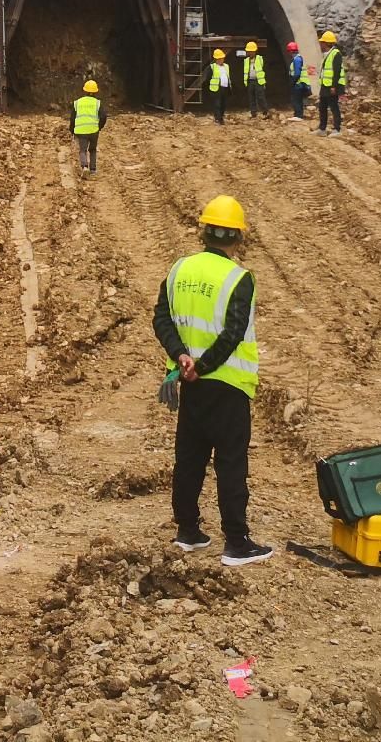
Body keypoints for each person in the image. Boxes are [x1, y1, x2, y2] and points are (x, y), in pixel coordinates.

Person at [152, 195, 272, 566]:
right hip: (227, 384)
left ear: (203, 231)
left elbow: (161, 319)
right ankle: (236, 542)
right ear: (237, 237)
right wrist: (201, 365)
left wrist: (181, 358)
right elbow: (233, 333)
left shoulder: (179, 269)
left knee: (189, 457)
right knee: (230, 462)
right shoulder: (240, 279)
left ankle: (188, 531)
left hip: (190, 384)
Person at [315, 29, 346, 134]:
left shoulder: (335, 54)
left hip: (332, 86)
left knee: (334, 107)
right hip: (325, 85)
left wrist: (334, 86)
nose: (320, 44)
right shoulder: (327, 54)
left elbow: (336, 71)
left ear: (326, 43)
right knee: (322, 107)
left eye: (322, 42)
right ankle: (322, 128)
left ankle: (337, 129)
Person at [72, 79, 105, 175]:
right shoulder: (98, 103)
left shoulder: (77, 103)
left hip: (81, 130)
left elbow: (72, 118)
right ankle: (93, 170)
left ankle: (84, 166)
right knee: (93, 149)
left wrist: (72, 130)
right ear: (96, 92)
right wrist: (99, 126)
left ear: (85, 90)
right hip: (94, 130)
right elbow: (103, 116)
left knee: (83, 149)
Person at [242, 41, 267, 118]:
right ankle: (253, 113)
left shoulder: (259, 58)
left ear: (255, 51)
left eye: (251, 51)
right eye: (249, 51)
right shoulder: (246, 61)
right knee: (251, 97)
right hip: (250, 81)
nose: (250, 53)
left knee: (260, 97)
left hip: (258, 80)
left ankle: (265, 111)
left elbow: (262, 66)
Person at [207, 48, 230, 124]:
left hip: (225, 88)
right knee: (217, 104)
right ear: (216, 59)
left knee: (223, 104)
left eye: (222, 58)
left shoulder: (226, 66)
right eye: (219, 58)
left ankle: (221, 117)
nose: (221, 60)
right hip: (216, 89)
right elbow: (208, 78)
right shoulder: (212, 67)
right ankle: (218, 118)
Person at [286, 41, 308, 120]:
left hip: (298, 84)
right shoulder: (297, 59)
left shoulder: (297, 60)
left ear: (291, 51)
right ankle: (297, 114)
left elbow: (297, 73)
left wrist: (293, 82)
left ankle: (298, 115)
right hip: (299, 83)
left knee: (297, 99)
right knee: (297, 99)